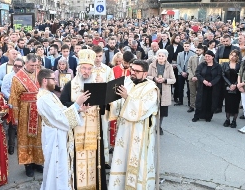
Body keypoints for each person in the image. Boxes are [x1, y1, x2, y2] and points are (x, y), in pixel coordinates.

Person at [59, 49, 107, 190]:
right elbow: (62, 105)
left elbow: (104, 108)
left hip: (94, 131)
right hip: (76, 131)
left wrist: (103, 88)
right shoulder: (70, 85)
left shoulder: (97, 85)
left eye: (89, 69)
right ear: (79, 69)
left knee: (94, 161)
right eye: (84, 68)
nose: (86, 71)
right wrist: (78, 107)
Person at [108, 60, 159, 189]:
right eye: (132, 70)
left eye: (137, 71)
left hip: (139, 133)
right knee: (122, 160)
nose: (133, 73)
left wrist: (127, 97)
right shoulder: (128, 82)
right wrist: (109, 102)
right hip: (124, 131)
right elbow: (119, 104)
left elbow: (143, 109)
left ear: (145, 73)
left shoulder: (151, 88)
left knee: (138, 163)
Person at [37, 68, 88, 190]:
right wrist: (76, 103)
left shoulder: (49, 95)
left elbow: (61, 111)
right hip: (54, 138)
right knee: (57, 170)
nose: (55, 82)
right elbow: (59, 118)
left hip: (57, 136)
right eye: (53, 79)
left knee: (59, 168)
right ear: (45, 80)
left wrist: (79, 109)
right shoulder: (44, 99)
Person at [8, 53, 44, 177]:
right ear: (26, 63)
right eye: (31, 65)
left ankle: (37, 162)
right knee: (25, 138)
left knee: (38, 137)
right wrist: (15, 117)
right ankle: (28, 164)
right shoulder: (17, 78)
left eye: (36, 65)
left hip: (39, 111)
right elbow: (14, 99)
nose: (34, 67)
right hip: (25, 112)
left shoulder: (39, 73)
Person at [147, 49, 176, 135]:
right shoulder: (152, 65)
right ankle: (151, 126)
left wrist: (165, 80)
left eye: (162, 56)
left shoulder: (169, 66)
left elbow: (173, 80)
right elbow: (147, 76)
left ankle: (159, 126)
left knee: (162, 111)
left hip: (164, 91)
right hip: (153, 90)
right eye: (159, 56)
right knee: (152, 110)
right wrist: (154, 78)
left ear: (166, 57)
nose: (160, 57)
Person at [1, 58, 24, 155]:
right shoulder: (8, 76)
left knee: (23, 125)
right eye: (15, 66)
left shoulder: (25, 77)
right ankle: (11, 145)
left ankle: (22, 145)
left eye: (19, 66)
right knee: (13, 125)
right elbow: (4, 89)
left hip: (23, 103)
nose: (17, 68)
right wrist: (12, 98)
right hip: (12, 103)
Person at [192, 50, 222, 122]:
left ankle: (208, 116)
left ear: (213, 57)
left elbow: (219, 76)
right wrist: (203, 81)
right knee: (200, 101)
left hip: (213, 87)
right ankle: (197, 116)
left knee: (210, 101)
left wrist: (212, 83)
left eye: (209, 56)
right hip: (203, 86)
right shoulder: (202, 65)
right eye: (206, 56)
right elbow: (198, 73)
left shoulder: (217, 66)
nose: (207, 58)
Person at [221, 50, 241, 128]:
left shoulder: (240, 65)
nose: (232, 57)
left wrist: (235, 85)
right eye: (231, 55)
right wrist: (230, 85)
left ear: (237, 57)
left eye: (235, 55)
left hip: (237, 86)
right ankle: (227, 119)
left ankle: (234, 121)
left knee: (236, 104)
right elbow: (223, 75)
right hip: (227, 86)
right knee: (228, 103)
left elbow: (240, 76)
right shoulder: (225, 64)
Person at [186, 45, 205, 113]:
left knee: (200, 93)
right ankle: (192, 106)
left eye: (199, 50)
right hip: (192, 78)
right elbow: (189, 67)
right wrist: (192, 76)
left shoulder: (205, 58)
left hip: (200, 78)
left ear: (202, 51)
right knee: (192, 93)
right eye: (197, 50)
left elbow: (204, 69)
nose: (197, 52)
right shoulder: (192, 58)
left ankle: (199, 106)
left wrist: (198, 77)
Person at [237, 51, 245, 133]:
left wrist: (242, 84)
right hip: (242, 88)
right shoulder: (244, 62)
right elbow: (239, 74)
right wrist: (239, 84)